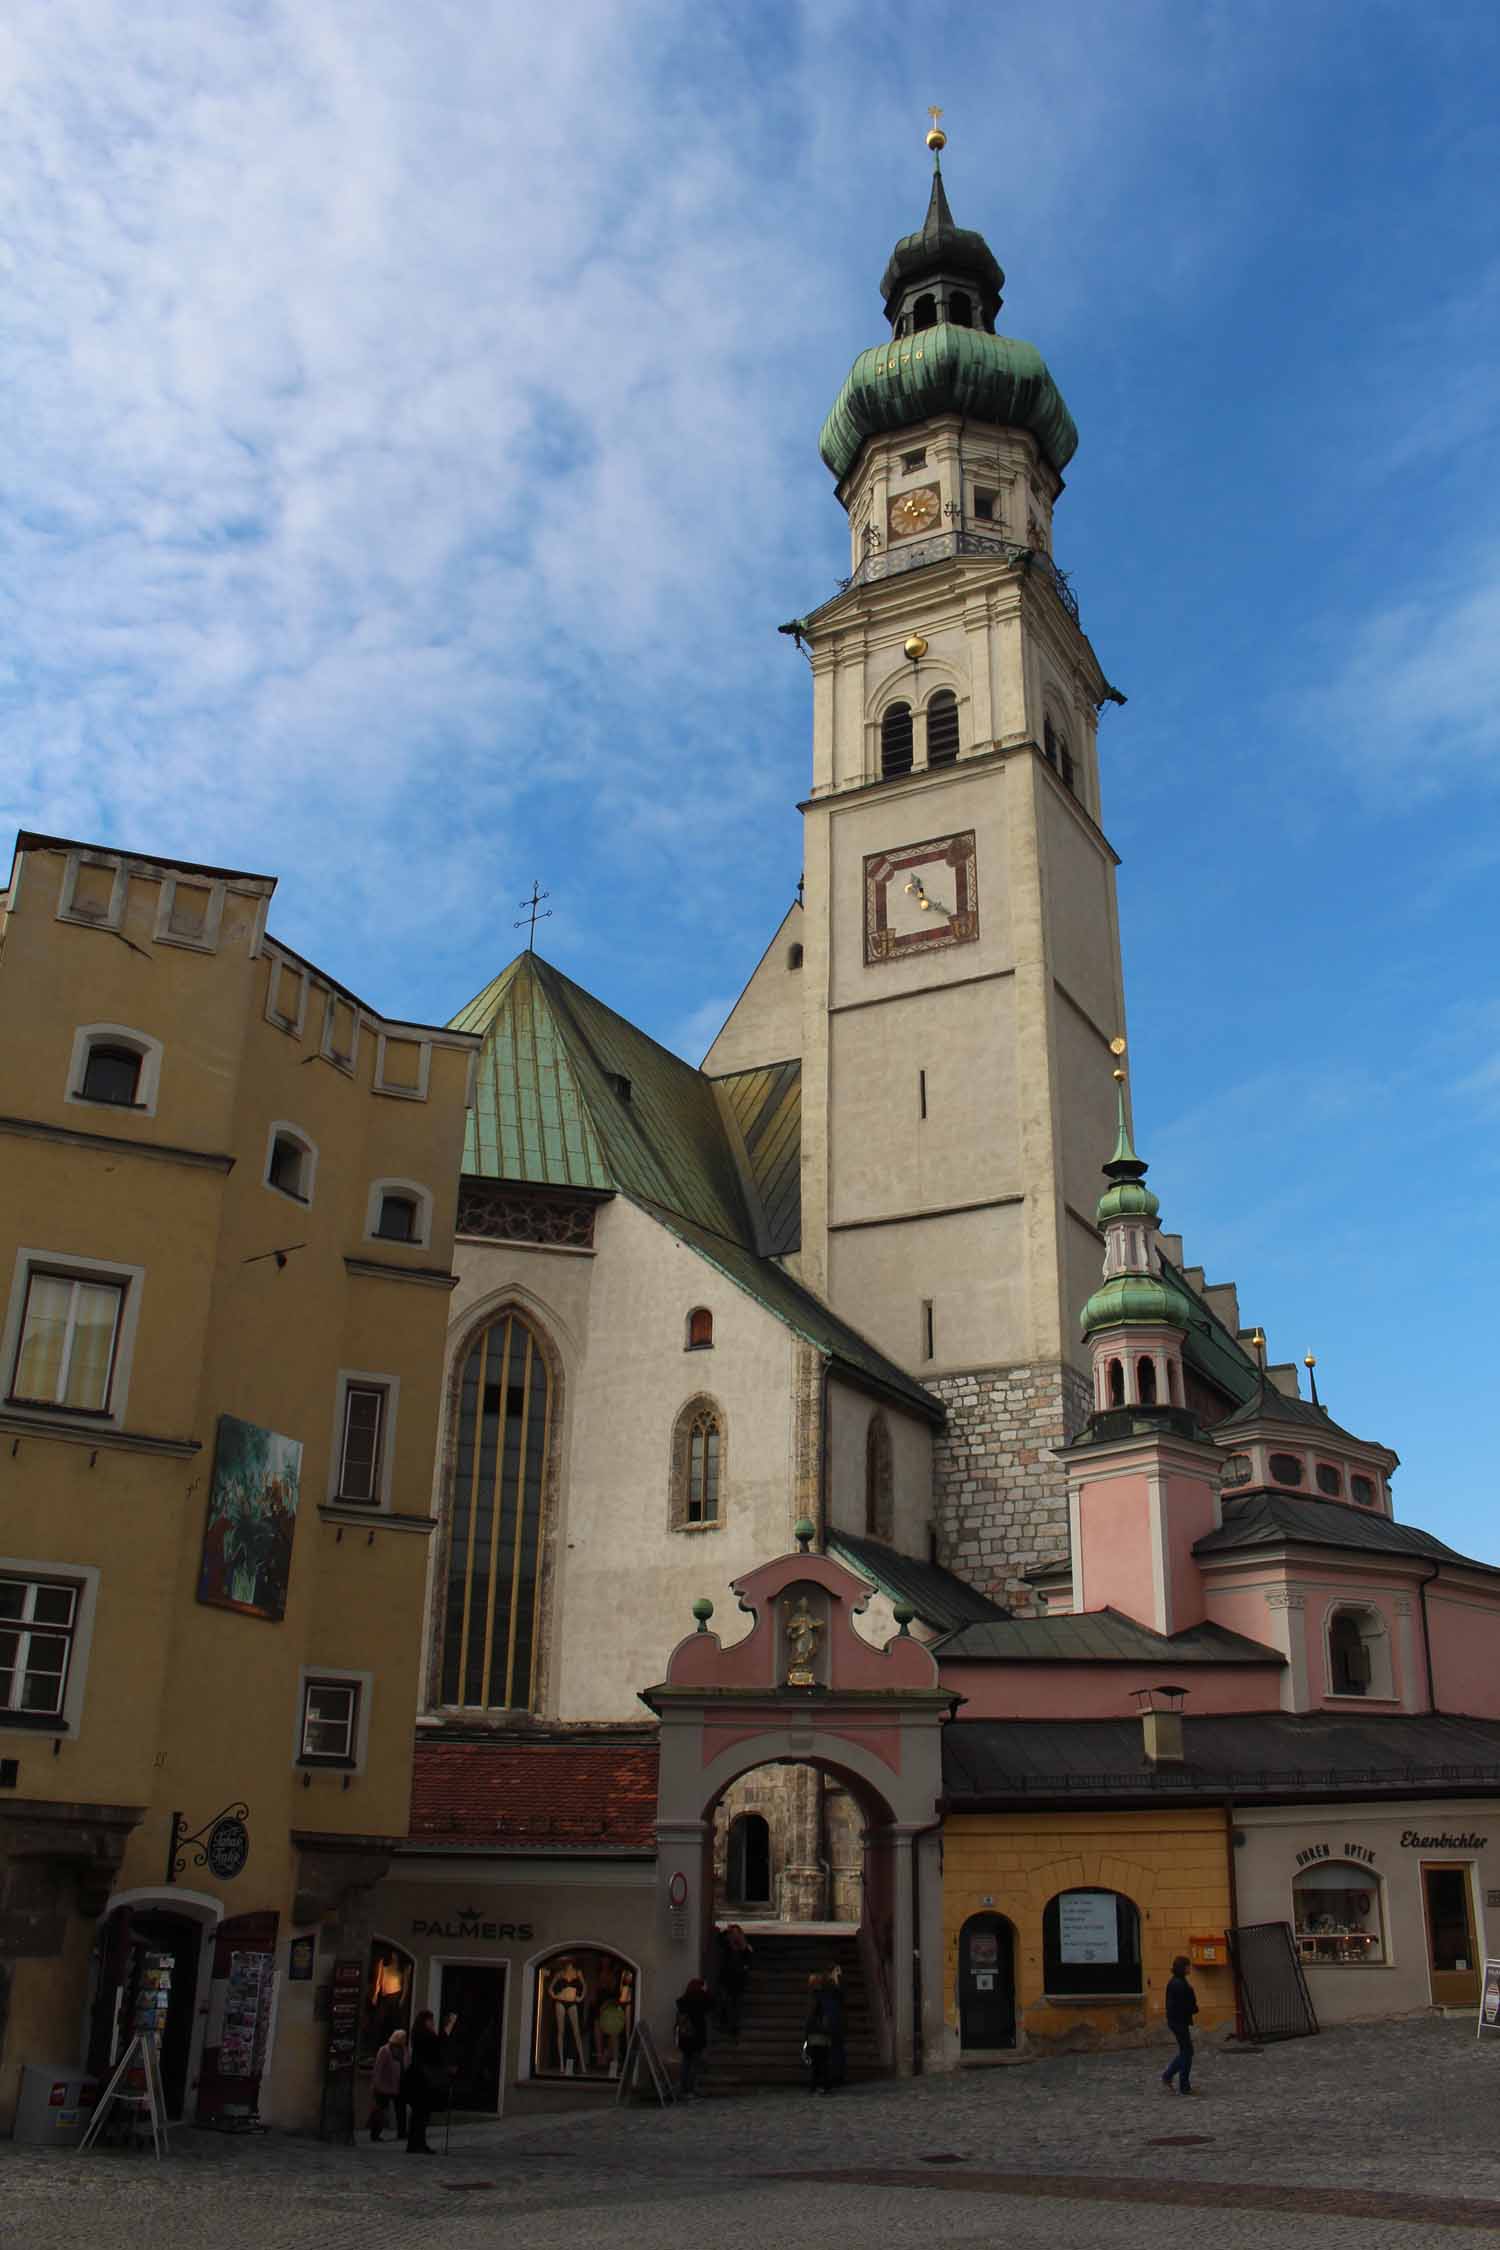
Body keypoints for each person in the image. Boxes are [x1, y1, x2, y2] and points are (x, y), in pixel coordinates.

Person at [405, 2008, 444, 2152]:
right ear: (426, 2021)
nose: (433, 2023)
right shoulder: (426, 2036)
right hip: (423, 2078)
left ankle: (415, 2143)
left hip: (417, 2076)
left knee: (418, 2113)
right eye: (431, 2021)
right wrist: (444, 2033)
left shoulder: (417, 2035)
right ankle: (418, 2143)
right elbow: (435, 2049)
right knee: (421, 2113)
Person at [1161, 1954, 1199, 2096]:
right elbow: (1187, 2006)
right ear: (1183, 1968)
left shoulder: (1176, 1981)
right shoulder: (1180, 1984)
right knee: (1187, 2052)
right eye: (1188, 1966)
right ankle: (1178, 2082)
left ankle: (1174, 2079)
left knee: (1186, 2051)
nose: (1190, 1968)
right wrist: (1192, 2000)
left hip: (1176, 2021)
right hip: (1179, 2022)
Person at [674, 1975, 711, 2099]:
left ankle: (684, 2089)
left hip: (685, 2036)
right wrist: (706, 1991)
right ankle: (690, 2089)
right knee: (694, 2064)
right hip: (696, 2037)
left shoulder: (683, 2001)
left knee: (686, 2062)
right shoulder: (700, 2000)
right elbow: (711, 2004)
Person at [369, 2025, 407, 2142]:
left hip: (399, 2085)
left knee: (401, 2110)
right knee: (381, 2111)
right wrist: (376, 2085)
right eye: (403, 2038)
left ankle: (402, 2132)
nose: (405, 2040)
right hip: (384, 2087)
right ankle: (375, 2134)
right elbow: (378, 2069)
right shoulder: (384, 2050)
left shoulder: (405, 2050)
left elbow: (406, 2066)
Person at [715, 1924, 753, 2035]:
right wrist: (726, 1931)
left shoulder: (745, 1948)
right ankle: (725, 2024)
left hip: (738, 1980)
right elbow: (719, 1938)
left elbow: (749, 1961)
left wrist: (745, 1968)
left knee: (735, 2004)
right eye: (732, 1933)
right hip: (726, 1978)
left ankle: (734, 2028)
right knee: (725, 2002)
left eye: (736, 1933)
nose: (734, 1935)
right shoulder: (727, 1945)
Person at [803, 1972, 835, 2095]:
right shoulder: (825, 1997)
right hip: (823, 2033)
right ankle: (823, 2085)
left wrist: (806, 2033)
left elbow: (810, 2017)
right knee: (822, 2061)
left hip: (816, 2033)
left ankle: (817, 2086)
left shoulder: (814, 1998)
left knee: (817, 2062)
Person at [822, 1962, 846, 2089]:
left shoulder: (838, 1984)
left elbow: (842, 1998)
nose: (839, 1973)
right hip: (830, 2020)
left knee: (838, 2050)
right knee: (831, 2050)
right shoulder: (826, 1985)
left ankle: (838, 2076)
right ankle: (831, 2077)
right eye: (837, 1971)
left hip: (837, 2021)